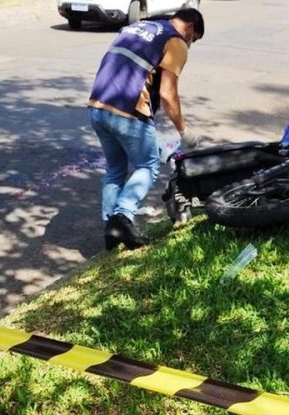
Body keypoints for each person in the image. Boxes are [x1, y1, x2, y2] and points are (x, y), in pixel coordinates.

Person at [88, 8, 204, 250]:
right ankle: (122, 218)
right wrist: (183, 131)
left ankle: (111, 229)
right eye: (193, 40)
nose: (189, 45)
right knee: (148, 165)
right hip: (127, 110)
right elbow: (167, 93)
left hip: (97, 106)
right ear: (190, 29)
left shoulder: (139, 27)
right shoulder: (176, 40)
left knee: (115, 168)